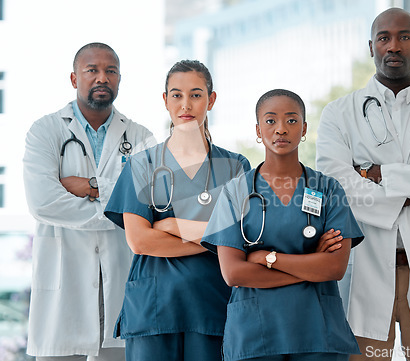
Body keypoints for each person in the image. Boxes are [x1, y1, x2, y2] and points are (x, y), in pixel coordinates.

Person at [316, 8, 410, 361]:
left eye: (404, 37)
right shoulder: (339, 114)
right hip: (365, 268)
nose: (394, 46)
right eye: (384, 38)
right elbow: (338, 188)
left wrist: (376, 173)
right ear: (371, 47)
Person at [103, 59, 250, 361]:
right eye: (176, 95)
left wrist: (169, 226)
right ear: (165, 100)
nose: (186, 104)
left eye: (196, 95)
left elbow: (243, 238)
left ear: (211, 100)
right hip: (154, 308)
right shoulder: (142, 165)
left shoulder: (236, 168)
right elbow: (140, 241)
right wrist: (214, 237)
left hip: (212, 306)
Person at [201, 89, 364, 361]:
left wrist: (269, 258)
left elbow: (334, 267)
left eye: (291, 120)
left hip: (316, 332)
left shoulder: (328, 189)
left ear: (304, 129)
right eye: (270, 121)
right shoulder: (236, 192)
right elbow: (233, 273)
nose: (280, 129)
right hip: (256, 334)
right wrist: (311, 264)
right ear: (257, 129)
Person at [23, 42, 156, 361]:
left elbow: (150, 200)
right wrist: (117, 206)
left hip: (121, 285)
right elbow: (44, 203)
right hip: (63, 286)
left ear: (120, 80)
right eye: (92, 70)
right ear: (74, 79)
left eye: (110, 71)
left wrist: (91, 187)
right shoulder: (45, 131)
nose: (102, 78)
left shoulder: (140, 137)